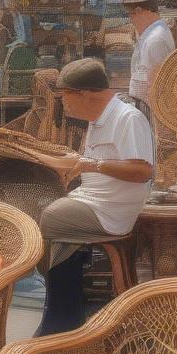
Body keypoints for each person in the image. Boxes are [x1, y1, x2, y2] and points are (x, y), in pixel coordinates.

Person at [29, 59, 154, 336]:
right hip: (93, 199)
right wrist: (75, 168)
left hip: (111, 211)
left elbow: (143, 171)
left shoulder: (127, 118)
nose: (64, 105)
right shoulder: (98, 121)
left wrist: (90, 165)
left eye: (66, 97)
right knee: (50, 219)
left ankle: (62, 318)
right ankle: (65, 317)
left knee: (50, 218)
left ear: (85, 94)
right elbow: (97, 164)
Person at [120, 0, 175, 112]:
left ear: (139, 11)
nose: (131, 20)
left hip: (149, 111)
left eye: (130, 14)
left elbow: (157, 88)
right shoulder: (151, 35)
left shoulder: (155, 40)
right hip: (143, 109)